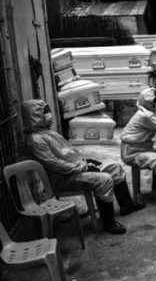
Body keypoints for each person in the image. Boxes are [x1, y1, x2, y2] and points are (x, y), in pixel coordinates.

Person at [20, 99, 145, 235]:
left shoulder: (48, 133)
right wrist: (83, 167)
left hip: (75, 170)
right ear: (35, 116)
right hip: (62, 178)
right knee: (104, 179)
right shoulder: (35, 140)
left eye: (48, 111)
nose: (49, 115)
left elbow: (68, 153)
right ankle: (109, 223)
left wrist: (85, 162)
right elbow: (55, 165)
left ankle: (127, 206)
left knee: (115, 168)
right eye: (44, 112)